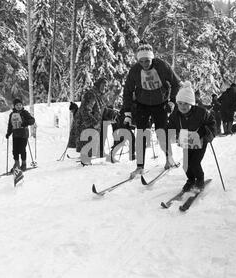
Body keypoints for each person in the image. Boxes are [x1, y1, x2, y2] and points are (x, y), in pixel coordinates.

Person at [122, 42, 181, 178]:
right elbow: (127, 91)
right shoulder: (135, 70)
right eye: (141, 61)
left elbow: (176, 84)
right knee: (141, 134)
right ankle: (140, 166)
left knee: (161, 133)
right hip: (142, 104)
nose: (144, 64)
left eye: (147, 60)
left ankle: (168, 158)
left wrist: (172, 101)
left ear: (152, 58)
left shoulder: (162, 66)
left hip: (160, 104)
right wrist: (127, 113)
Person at [167, 81, 217, 191]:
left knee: (195, 162)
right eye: (180, 103)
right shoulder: (175, 115)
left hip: (200, 140)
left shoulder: (201, 112)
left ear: (191, 103)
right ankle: (190, 180)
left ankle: (199, 180)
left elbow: (212, 123)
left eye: (185, 103)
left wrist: (208, 134)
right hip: (185, 140)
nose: (182, 106)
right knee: (186, 163)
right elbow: (170, 125)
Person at [74, 78, 108, 165]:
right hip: (86, 124)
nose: (104, 87)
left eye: (105, 85)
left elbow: (100, 109)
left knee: (90, 146)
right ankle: (84, 165)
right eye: (103, 85)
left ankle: (86, 163)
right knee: (87, 145)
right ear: (98, 85)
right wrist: (94, 122)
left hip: (92, 125)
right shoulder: (91, 94)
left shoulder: (99, 95)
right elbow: (86, 110)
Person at [5, 98, 35, 172]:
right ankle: (16, 165)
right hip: (15, 134)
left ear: (22, 105)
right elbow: (10, 125)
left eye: (20, 105)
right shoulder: (12, 114)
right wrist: (8, 133)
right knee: (15, 150)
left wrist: (26, 123)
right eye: (17, 105)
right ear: (14, 106)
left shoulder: (25, 113)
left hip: (23, 134)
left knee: (22, 149)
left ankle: (24, 164)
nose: (19, 106)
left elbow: (32, 120)